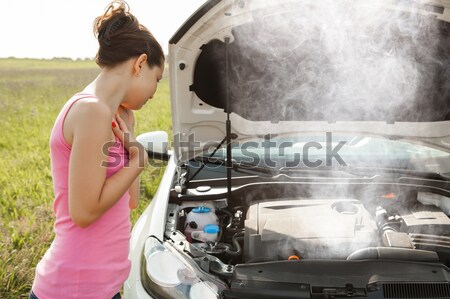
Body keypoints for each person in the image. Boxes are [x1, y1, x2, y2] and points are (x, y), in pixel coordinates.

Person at [29, 1, 164, 298]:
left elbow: (128, 202)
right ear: (140, 63)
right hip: (73, 289)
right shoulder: (90, 110)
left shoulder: (112, 114)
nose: (155, 91)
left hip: (101, 288)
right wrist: (139, 159)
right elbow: (84, 212)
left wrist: (130, 138)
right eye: (157, 78)